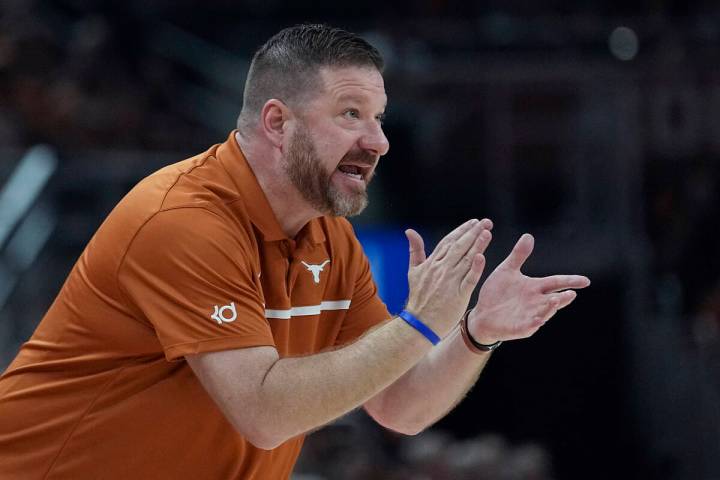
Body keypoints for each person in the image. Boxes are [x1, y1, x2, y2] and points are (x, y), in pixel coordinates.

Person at [0, 24, 590, 479]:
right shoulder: (183, 221)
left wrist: (473, 334)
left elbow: (398, 407)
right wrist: (418, 323)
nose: (378, 141)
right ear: (278, 123)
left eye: (379, 117)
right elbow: (265, 414)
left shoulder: (328, 235)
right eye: (350, 114)